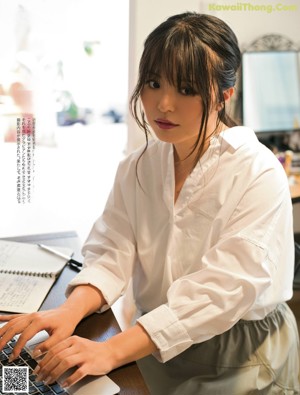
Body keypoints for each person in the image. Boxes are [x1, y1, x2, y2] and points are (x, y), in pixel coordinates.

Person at [0, 12, 299, 394]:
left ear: (227, 92)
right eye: (154, 83)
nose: (164, 104)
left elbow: (220, 293)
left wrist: (110, 351)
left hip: (238, 353)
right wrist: (67, 311)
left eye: (187, 89)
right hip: (152, 342)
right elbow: (113, 250)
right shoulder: (140, 165)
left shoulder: (257, 172)